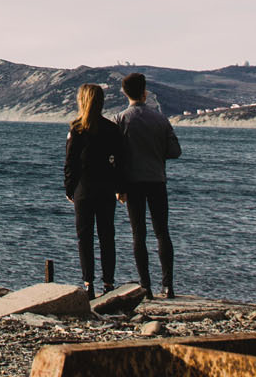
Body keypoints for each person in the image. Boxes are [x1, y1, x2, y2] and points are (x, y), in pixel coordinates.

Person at [116, 71, 181, 297]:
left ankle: (146, 286)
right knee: (162, 232)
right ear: (145, 93)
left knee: (138, 235)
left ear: (125, 93)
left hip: (133, 182)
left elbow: (115, 156)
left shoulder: (121, 119)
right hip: (156, 180)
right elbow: (175, 151)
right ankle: (168, 285)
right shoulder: (161, 119)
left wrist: (118, 187)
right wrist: (157, 152)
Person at [61, 83, 127, 294]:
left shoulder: (77, 129)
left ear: (82, 101)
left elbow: (70, 163)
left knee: (85, 237)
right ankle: (108, 282)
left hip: (84, 188)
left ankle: (88, 283)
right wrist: (120, 187)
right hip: (106, 187)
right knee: (107, 236)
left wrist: (69, 189)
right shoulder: (111, 129)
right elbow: (119, 161)